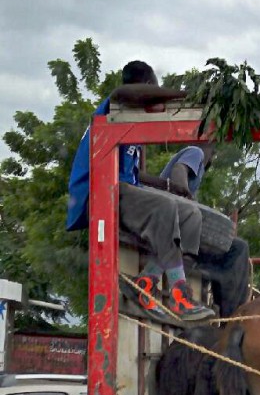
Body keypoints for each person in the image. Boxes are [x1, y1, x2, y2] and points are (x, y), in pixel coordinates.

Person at [66, 60, 214, 322]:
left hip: (122, 189)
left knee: (191, 215)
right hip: (97, 193)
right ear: (146, 86)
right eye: (154, 90)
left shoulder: (131, 129)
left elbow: (135, 177)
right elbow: (123, 92)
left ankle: (146, 282)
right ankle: (180, 296)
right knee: (164, 207)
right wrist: (186, 95)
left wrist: (168, 186)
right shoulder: (114, 107)